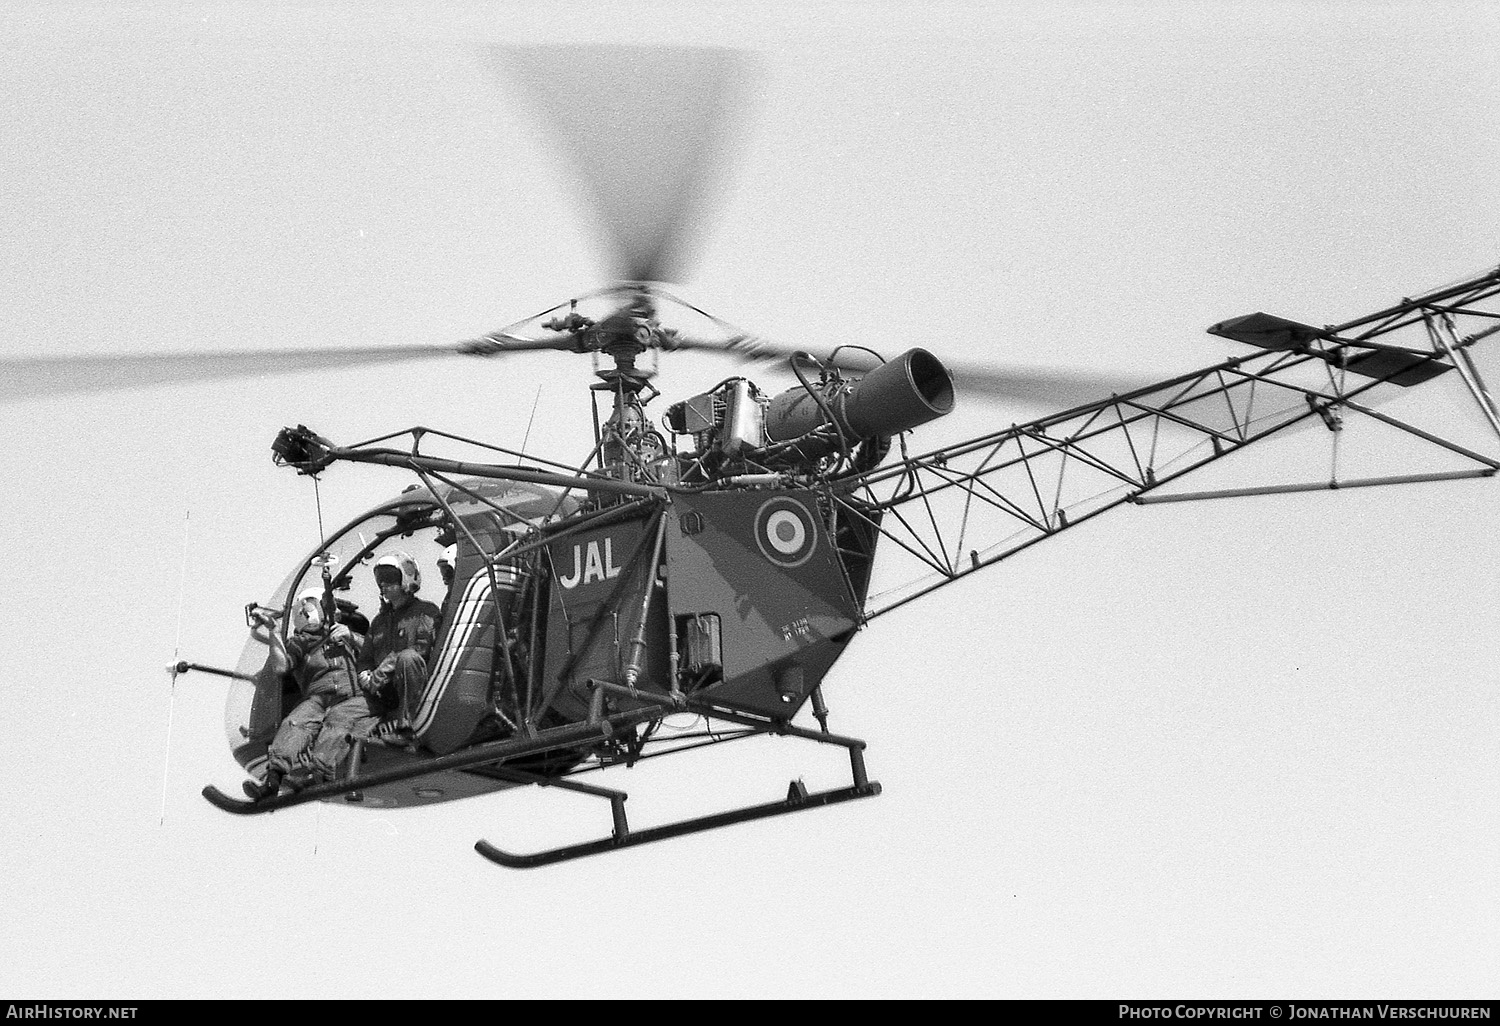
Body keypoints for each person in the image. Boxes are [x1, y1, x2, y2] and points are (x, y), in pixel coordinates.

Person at [244, 589, 369, 800]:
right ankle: (272, 780)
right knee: (295, 722)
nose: (305, 612)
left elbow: (375, 652)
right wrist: (273, 632)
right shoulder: (300, 642)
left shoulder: (344, 631)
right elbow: (281, 666)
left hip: (352, 696)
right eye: (301, 610)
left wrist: (350, 636)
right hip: (318, 699)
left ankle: (319, 774)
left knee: (337, 721)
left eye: (310, 606)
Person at [359, 550, 442, 727]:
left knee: (408, 658)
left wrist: (381, 673)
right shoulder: (379, 622)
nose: (383, 583)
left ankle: (408, 726)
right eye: (380, 578)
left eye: (389, 577)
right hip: (384, 693)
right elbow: (365, 658)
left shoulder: (426, 612)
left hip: (417, 688)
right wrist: (365, 675)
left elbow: (420, 650)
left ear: (405, 578)